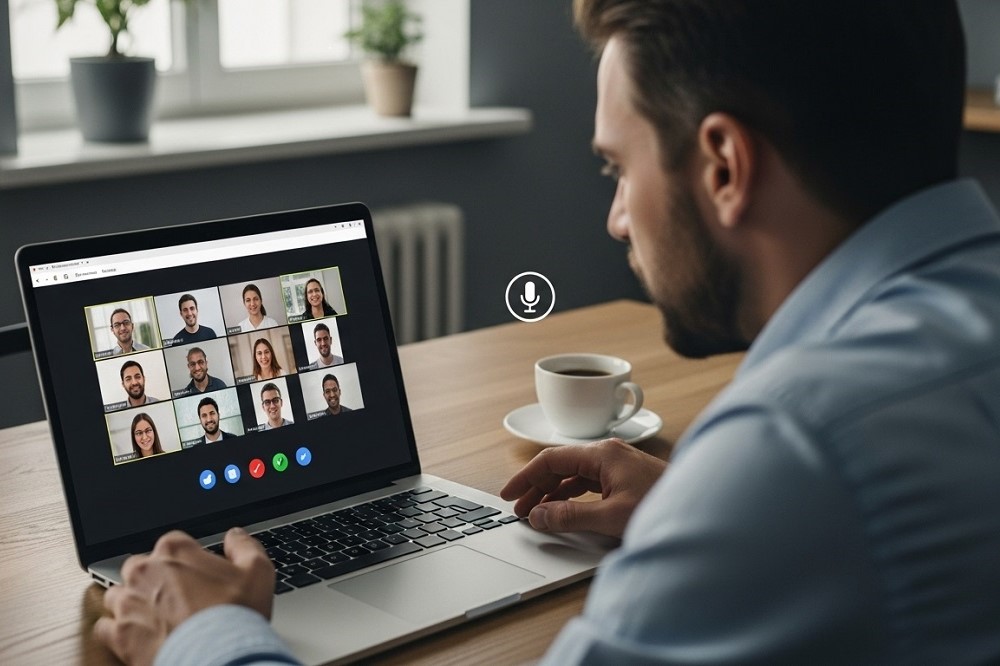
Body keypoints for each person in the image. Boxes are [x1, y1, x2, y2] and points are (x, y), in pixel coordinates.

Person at [93, 2, 1000, 665]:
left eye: (617, 166)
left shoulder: (795, 448)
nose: (614, 218)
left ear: (724, 164)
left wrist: (208, 642)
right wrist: (695, 511)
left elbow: (820, 489)